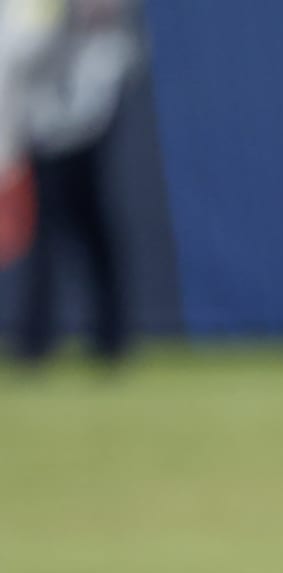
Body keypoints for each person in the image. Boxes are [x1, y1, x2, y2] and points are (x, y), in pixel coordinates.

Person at [3, 0, 142, 363]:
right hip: (43, 129)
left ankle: (111, 339)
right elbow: (21, 54)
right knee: (46, 236)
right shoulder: (36, 12)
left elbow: (119, 54)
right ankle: (36, 341)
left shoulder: (103, 30)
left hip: (88, 123)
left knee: (94, 231)